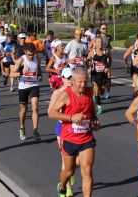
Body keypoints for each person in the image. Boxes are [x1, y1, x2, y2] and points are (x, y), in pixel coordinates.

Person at [48, 67, 99, 197]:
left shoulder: (89, 92)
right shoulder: (66, 95)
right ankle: (63, 185)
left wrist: (95, 121)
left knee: (87, 171)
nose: (83, 85)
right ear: (73, 81)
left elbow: (91, 112)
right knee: (69, 171)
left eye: (85, 82)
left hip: (86, 138)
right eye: (80, 82)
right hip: (69, 139)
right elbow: (51, 113)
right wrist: (71, 118)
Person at [48, 67, 75, 197]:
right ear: (63, 79)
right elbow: (50, 112)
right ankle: (65, 187)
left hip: (76, 129)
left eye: (72, 78)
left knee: (77, 162)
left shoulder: (77, 92)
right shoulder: (57, 93)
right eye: (69, 78)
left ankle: (69, 173)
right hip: (62, 129)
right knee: (65, 161)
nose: (71, 80)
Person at [11, 43, 42, 141]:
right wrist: (21, 73)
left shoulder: (37, 58)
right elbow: (11, 74)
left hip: (34, 85)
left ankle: (35, 130)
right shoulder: (21, 59)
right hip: (23, 87)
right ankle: (22, 127)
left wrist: (39, 75)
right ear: (25, 52)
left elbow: (39, 70)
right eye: (29, 54)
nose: (31, 56)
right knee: (23, 110)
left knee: (35, 107)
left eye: (32, 54)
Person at [88, 37, 111, 114]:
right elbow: (87, 60)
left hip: (103, 75)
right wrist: (89, 64)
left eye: (101, 42)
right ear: (95, 43)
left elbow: (109, 60)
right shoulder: (92, 52)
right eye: (98, 42)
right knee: (96, 89)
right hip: (95, 74)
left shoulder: (105, 52)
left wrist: (107, 68)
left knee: (101, 91)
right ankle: (99, 106)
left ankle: (96, 97)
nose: (100, 44)